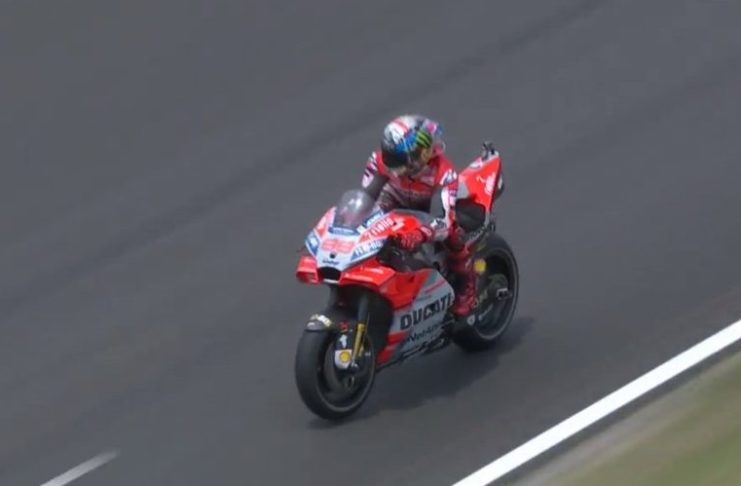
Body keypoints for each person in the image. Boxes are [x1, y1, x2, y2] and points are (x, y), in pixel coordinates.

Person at [360, 114, 477, 318]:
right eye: (390, 157)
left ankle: (467, 283)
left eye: (398, 159)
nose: (393, 166)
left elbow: (443, 220)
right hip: (397, 202)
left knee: (454, 233)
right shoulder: (378, 162)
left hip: (433, 210)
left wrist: (420, 234)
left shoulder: (444, 173)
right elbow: (365, 197)